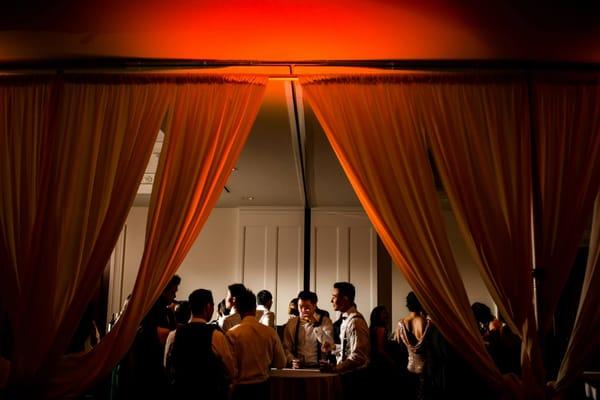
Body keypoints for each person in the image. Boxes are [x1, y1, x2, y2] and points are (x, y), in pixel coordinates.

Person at [164, 289, 236, 400]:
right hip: (208, 394)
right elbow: (230, 370)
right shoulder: (215, 335)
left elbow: (167, 366)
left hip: (180, 394)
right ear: (208, 307)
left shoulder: (174, 334)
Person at [226, 289, 286, 400]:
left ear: (238, 309)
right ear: (254, 308)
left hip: (240, 391)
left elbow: (230, 368)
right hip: (263, 388)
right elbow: (281, 363)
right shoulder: (270, 332)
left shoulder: (232, 334)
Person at [282, 290, 334, 368]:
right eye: (300, 307)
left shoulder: (325, 321)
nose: (303, 310)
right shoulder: (291, 323)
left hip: (319, 368)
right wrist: (292, 360)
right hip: (298, 369)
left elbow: (329, 345)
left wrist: (315, 325)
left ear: (314, 305)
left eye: (307, 307)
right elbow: (286, 347)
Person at [395, 291, 430, 400]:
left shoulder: (400, 323)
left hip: (409, 368)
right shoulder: (426, 322)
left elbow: (400, 347)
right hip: (426, 368)